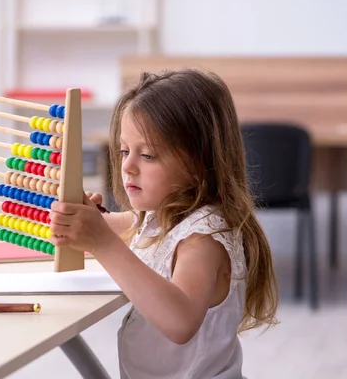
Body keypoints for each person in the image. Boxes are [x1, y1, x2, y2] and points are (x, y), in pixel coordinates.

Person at [49, 68, 279, 378]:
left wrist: (101, 242)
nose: (127, 167)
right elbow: (127, 226)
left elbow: (180, 321)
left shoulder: (204, 238)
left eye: (147, 155)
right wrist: (93, 220)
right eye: (123, 150)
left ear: (200, 163)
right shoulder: (165, 215)